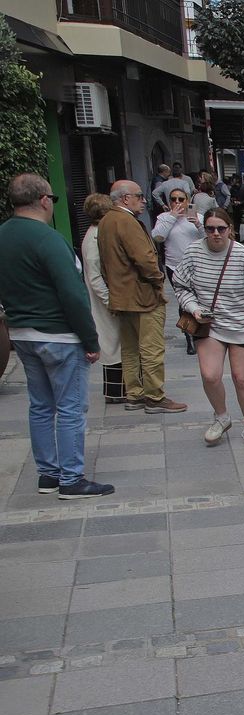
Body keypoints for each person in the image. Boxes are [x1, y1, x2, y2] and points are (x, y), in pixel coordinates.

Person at [0, 174, 114, 498]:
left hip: (22, 332)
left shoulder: (3, 235)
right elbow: (73, 294)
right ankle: (71, 478)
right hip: (59, 335)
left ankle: (48, 474)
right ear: (45, 200)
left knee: (39, 405)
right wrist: (91, 341)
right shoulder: (47, 239)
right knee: (69, 407)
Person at [172, 207, 244, 448]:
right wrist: (193, 306)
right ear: (204, 229)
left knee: (242, 378)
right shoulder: (193, 252)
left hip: (242, 324)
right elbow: (180, 285)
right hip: (209, 324)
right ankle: (221, 417)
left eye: (221, 228)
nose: (216, 233)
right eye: (210, 229)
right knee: (210, 375)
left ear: (230, 230)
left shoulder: (242, 255)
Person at [100, 179, 186, 414]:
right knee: (150, 348)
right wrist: (158, 279)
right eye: (139, 195)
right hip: (142, 296)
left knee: (130, 348)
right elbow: (144, 258)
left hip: (122, 296)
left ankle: (135, 394)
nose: (143, 200)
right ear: (125, 198)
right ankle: (154, 396)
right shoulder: (126, 221)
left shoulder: (107, 220)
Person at [79, 193, 125, 405]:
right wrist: (109, 300)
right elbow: (95, 275)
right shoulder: (95, 237)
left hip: (107, 298)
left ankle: (119, 389)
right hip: (105, 300)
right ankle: (115, 391)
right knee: (111, 344)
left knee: (115, 343)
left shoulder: (98, 233)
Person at [152, 187, 202, 281]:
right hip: (174, 267)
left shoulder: (198, 217)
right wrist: (172, 217)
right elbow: (158, 238)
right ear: (169, 202)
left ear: (187, 201)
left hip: (196, 265)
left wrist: (198, 224)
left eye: (181, 199)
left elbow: (207, 238)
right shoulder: (163, 217)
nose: (177, 202)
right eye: (173, 199)